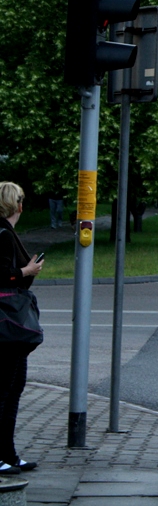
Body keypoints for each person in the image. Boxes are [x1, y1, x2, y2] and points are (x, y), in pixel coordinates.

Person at [0, 182, 42, 475]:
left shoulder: (6, 232)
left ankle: (9, 454)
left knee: (13, 387)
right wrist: (25, 271)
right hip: (6, 325)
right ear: (17, 205)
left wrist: (26, 273)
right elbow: (3, 275)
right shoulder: (2, 234)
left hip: (10, 326)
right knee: (5, 390)